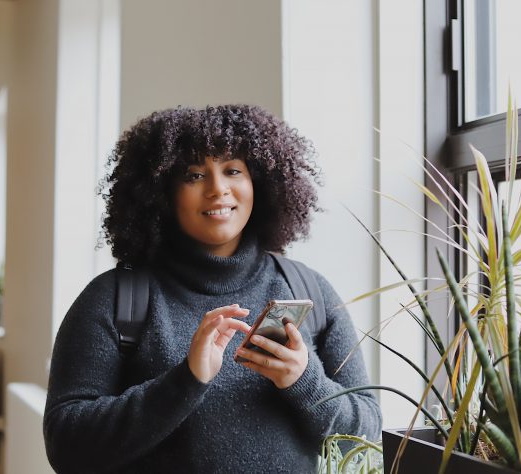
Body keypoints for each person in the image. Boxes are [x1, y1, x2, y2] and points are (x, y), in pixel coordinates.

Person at [43, 105, 382, 473]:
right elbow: (66, 445)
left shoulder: (310, 290)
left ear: (260, 182)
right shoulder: (114, 300)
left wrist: (304, 381)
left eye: (233, 170)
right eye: (194, 175)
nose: (218, 189)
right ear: (161, 192)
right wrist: (185, 381)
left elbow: (365, 432)